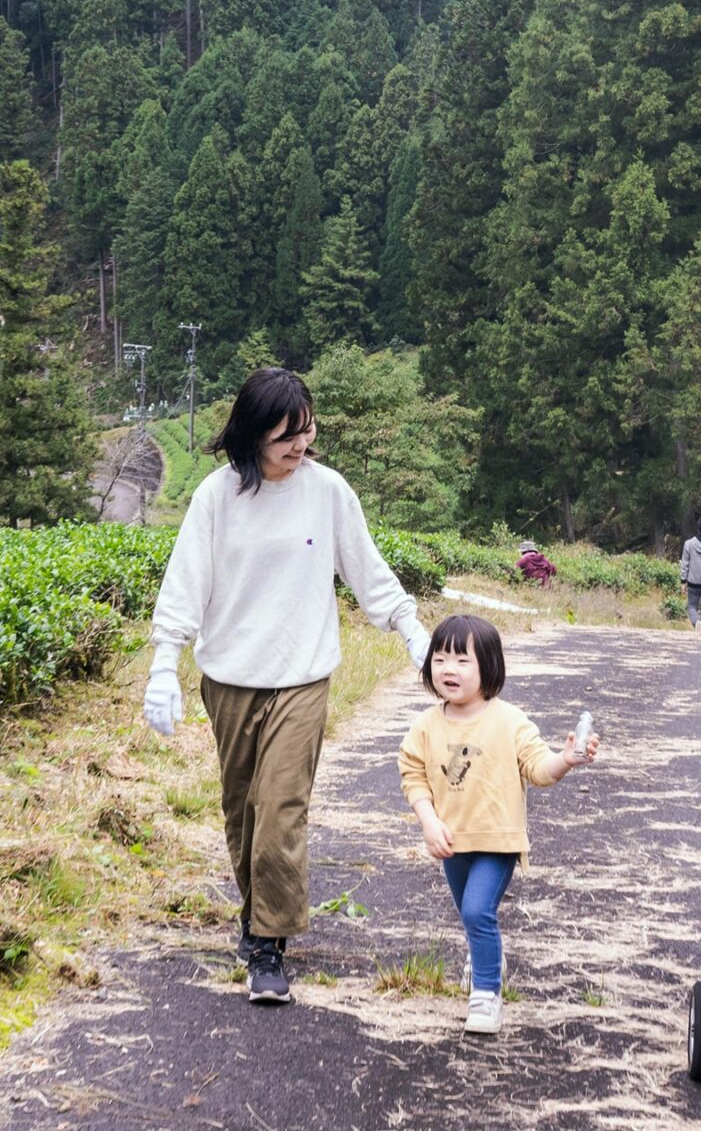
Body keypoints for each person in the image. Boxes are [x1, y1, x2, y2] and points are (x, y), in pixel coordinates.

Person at [142, 367, 433, 1007]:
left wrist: (413, 632)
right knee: (243, 809)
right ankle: (255, 918)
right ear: (253, 434)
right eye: (285, 436)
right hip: (229, 678)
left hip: (302, 676)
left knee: (280, 808)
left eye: (307, 433)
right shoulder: (216, 498)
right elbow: (186, 581)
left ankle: (270, 946)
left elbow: (367, 569)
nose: (300, 447)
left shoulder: (327, 492)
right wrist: (167, 660)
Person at [397, 614, 598, 1034]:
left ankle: (486, 994)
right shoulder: (426, 726)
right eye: (439, 659)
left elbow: (538, 769)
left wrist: (566, 759)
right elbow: (412, 774)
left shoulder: (510, 721)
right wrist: (428, 821)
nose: (448, 669)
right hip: (451, 840)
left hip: (498, 840)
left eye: (461, 660)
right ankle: (485, 954)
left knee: (476, 910)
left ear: (489, 666)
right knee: (472, 917)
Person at [680, 533, 701, 631]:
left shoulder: (689, 544)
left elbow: (685, 564)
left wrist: (683, 581)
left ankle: (696, 622)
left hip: (693, 582)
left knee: (691, 606)